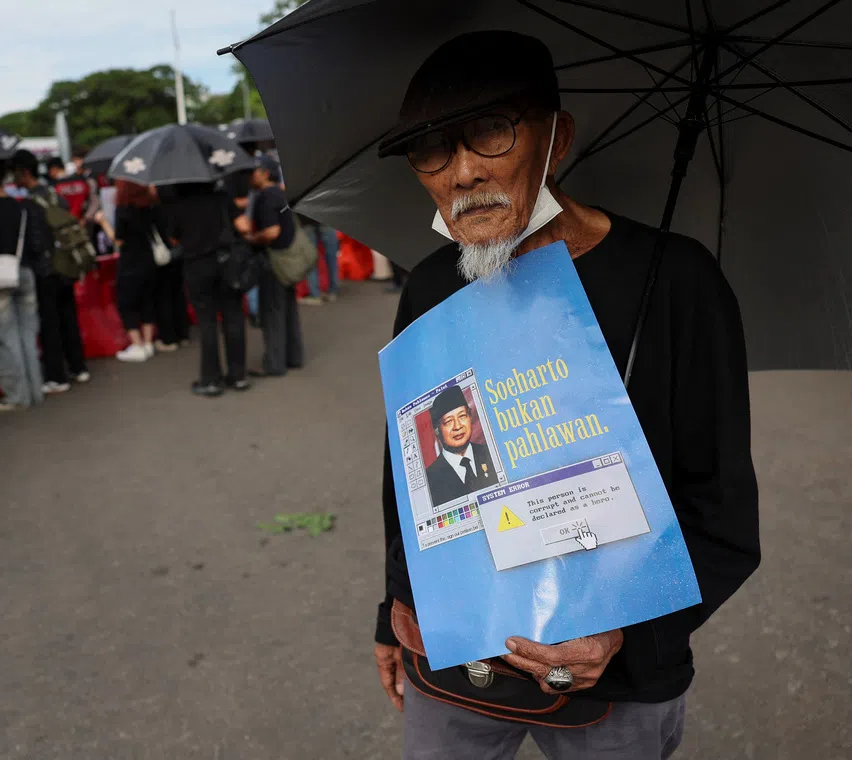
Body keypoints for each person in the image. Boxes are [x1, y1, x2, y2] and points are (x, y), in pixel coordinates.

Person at [371, 32, 759, 759]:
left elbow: (723, 510)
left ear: (557, 139)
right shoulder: (429, 288)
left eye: (490, 133)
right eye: (431, 150)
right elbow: (412, 482)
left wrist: (623, 632)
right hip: (453, 663)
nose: (461, 173)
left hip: (616, 683)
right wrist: (389, 612)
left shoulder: (673, 282)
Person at [10, 149, 90, 392]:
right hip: (66, 263)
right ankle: (78, 367)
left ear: (24, 173)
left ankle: (57, 376)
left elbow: (35, 242)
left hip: (45, 270)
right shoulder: (56, 195)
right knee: (68, 317)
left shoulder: (29, 204)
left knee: (50, 323)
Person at [161, 182, 249, 396]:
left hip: (196, 266)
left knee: (207, 322)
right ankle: (238, 376)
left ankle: (211, 380)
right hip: (226, 263)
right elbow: (244, 226)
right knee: (233, 316)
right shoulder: (222, 196)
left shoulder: (177, 204)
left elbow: (173, 239)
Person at [0, 159, 45, 411]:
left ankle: (16, 396)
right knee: (27, 333)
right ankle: (35, 389)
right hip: (25, 271)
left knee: (5, 337)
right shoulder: (21, 206)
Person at [246, 154, 303, 377]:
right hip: (287, 260)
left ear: (265, 173)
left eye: (254, 171)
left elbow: (272, 232)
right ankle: (294, 356)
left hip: (273, 261)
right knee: (288, 310)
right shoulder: (280, 193)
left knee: (272, 313)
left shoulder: (265, 197)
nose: (251, 176)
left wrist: (252, 238)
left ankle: (274, 363)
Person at [94, 180, 162, 362]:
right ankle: (148, 343)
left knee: (127, 303)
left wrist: (103, 222)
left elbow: (118, 240)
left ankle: (137, 344)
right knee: (147, 300)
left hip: (130, 262)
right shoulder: (149, 207)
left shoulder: (123, 210)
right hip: (148, 259)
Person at [423, 386, 498, 505]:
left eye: (462, 416)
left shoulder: (492, 453)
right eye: (448, 421)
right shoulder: (429, 479)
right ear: (437, 430)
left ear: (470, 417)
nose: (457, 426)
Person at [299, 218, 341, 305]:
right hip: (326, 216)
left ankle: (315, 294)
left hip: (305, 219)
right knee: (331, 256)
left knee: (310, 258)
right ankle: (333, 290)